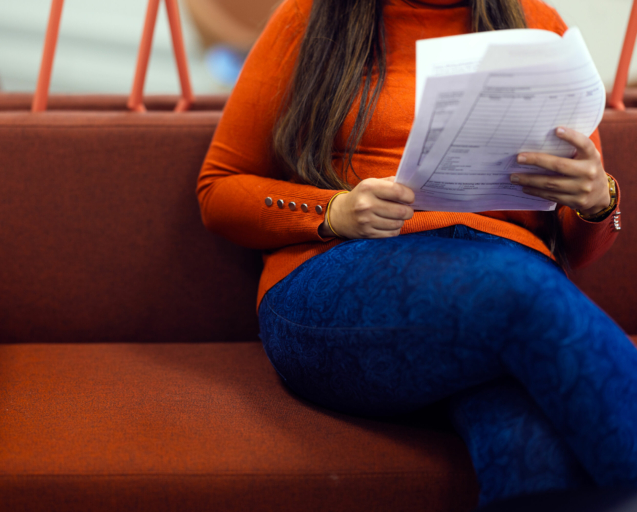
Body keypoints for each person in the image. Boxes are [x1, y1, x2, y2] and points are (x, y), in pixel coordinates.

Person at [196, 0, 637, 505]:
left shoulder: (538, 25)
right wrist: (334, 210)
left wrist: (601, 201)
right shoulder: (310, 16)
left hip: (508, 282)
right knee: (516, 289)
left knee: (530, 443)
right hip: (346, 273)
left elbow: (581, 248)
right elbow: (218, 190)